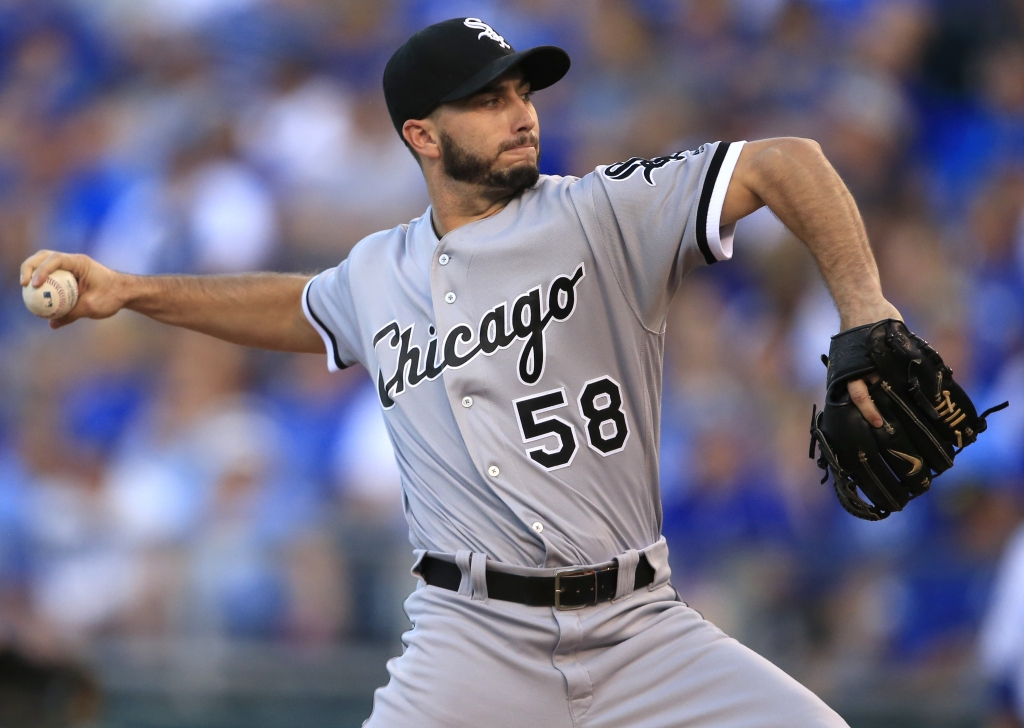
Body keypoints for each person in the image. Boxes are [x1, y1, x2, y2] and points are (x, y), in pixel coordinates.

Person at [22, 17, 900, 728]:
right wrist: (131, 290)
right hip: (470, 641)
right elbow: (294, 307)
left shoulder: (605, 211)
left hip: (642, 628)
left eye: (523, 90)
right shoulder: (376, 271)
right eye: (487, 99)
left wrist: (866, 309)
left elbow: (789, 162)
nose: (520, 112)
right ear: (422, 135)